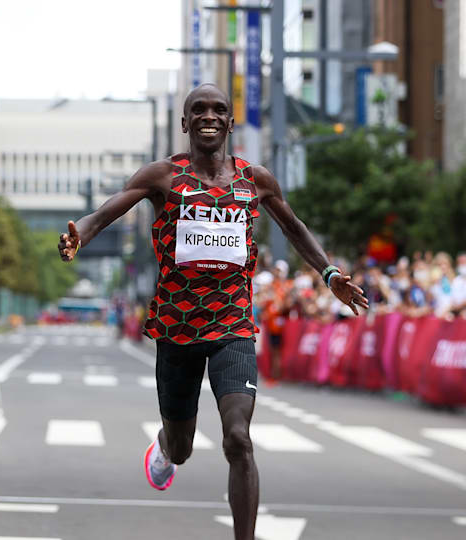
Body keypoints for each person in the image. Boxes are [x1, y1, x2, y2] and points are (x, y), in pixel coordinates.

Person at [56, 84, 368, 540]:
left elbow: (295, 227)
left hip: (232, 326)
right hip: (176, 328)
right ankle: (165, 444)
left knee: (238, 438)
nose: (208, 116)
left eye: (218, 110)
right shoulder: (162, 176)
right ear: (185, 123)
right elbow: (104, 214)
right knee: (182, 448)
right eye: (197, 110)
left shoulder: (255, 180)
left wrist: (331, 274)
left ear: (229, 122)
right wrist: (78, 235)